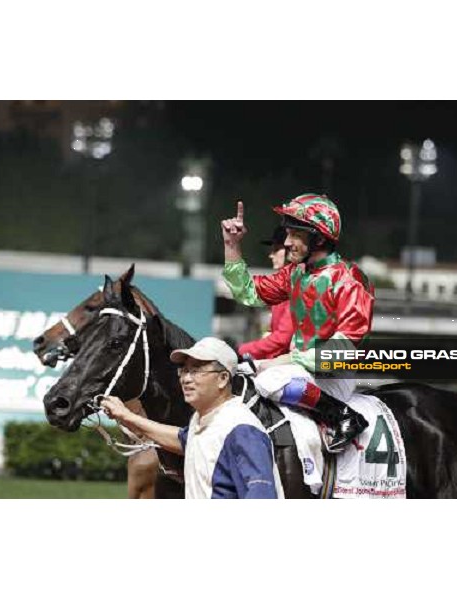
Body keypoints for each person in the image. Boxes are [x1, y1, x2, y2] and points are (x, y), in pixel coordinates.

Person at [221, 194, 375, 451]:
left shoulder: (350, 279)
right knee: (239, 376)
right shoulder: (296, 273)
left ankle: (343, 416)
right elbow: (248, 292)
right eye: (287, 234)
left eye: (295, 235)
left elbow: (345, 348)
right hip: (301, 370)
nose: (287, 242)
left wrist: (282, 361)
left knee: (268, 381)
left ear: (318, 238)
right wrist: (232, 245)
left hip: (332, 372)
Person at [101, 337, 283, 499]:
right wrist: (125, 416)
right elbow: (182, 439)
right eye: (184, 370)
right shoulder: (205, 420)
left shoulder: (242, 430)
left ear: (222, 378)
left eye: (196, 371)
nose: (186, 379)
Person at [238, 225, 294, 360]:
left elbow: (282, 339)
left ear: (290, 250)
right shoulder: (282, 285)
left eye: (275, 250)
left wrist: (240, 350)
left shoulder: (298, 285)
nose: (271, 255)